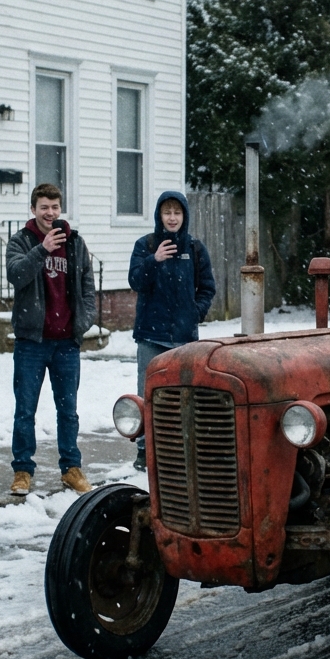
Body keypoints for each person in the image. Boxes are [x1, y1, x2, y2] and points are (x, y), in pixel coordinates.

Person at [5, 183, 97, 496]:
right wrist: (42, 248)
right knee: (25, 410)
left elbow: (87, 284)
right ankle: (22, 470)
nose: (50, 213)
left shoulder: (75, 243)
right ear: (33, 209)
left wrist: (83, 322)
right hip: (31, 342)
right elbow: (16, 275)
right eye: (44, 207)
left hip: (66, 344)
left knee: (68, 410)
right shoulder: (21, 240)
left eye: (55, 207)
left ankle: (71, 468)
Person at [127, 191, 216, 469]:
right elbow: (135, 281)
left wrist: (194, 313)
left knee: (184, 395)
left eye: (177, 213)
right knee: (148, 394)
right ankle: (145, 450)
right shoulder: (146, 245)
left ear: (184, 216)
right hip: (151, 336)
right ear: (159, 216)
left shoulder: (195, 248)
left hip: (184, 340)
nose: (172, 218)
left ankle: (180, 447)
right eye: (167, 213)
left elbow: (207, 288)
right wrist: (155, 260)